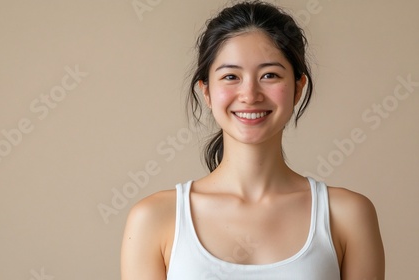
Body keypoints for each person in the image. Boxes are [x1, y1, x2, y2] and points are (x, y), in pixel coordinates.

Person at [121, 1, 385, 279]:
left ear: (298, 88)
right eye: (231, 76)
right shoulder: (153, 218)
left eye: (269, 75)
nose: (250, 94)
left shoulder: (348, 215)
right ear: (207, 92)